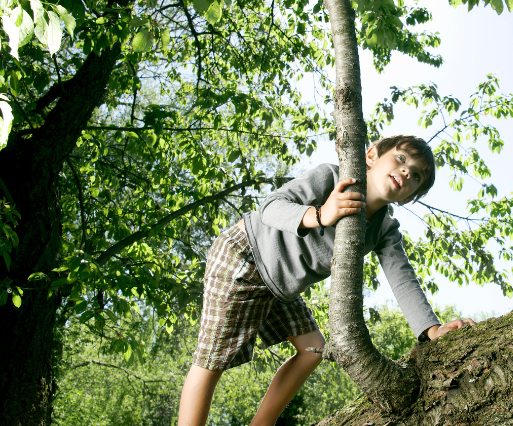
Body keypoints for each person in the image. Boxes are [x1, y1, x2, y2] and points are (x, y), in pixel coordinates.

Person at [177, 135, 476, 426]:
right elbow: (270, 207)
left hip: (279, 287)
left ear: (409, 196)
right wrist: (320, 213)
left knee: (312, 351)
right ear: (371, 156)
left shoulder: (384, 228)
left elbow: (402, 277)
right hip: (245, 255)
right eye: (401, 159)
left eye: (417, 176)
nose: (406, 171)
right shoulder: (330, 178)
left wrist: (431, 330)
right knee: (212, 360)